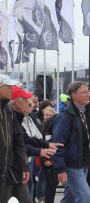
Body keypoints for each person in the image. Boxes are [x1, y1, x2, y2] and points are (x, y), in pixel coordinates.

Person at [0, 75, 29, 203]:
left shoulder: (8, 111)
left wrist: (24, 167)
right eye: (9, 87)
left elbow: (18, 142)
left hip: (6, 171)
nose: (12, 90)